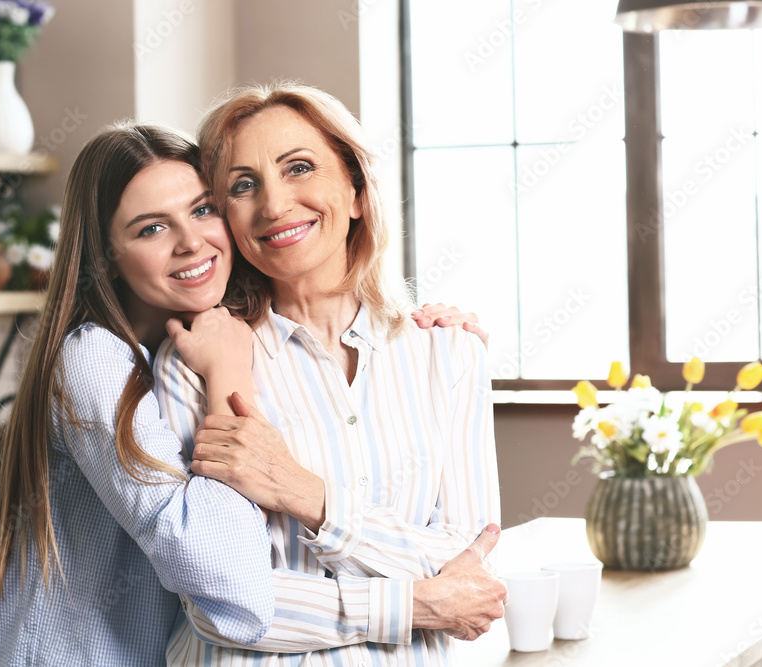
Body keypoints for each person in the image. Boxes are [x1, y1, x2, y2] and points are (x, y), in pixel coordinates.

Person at [0, 121, 488, 666]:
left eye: (202, 210)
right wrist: (228, 377)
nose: (191, 242)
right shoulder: (96, 360)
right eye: (151, 229)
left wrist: (430, 341)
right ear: (105, 257)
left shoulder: (194, 338)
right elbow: (226, 582)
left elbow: (472, 556)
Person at [155, 82, 506, 665]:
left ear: (356, 192)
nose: (273, 205)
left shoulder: (449, 354)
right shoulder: (198, 362)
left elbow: (472, 564)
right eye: (243, 185)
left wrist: (304, 494)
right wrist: (416, 602)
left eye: (299, 168)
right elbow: (216, 596)